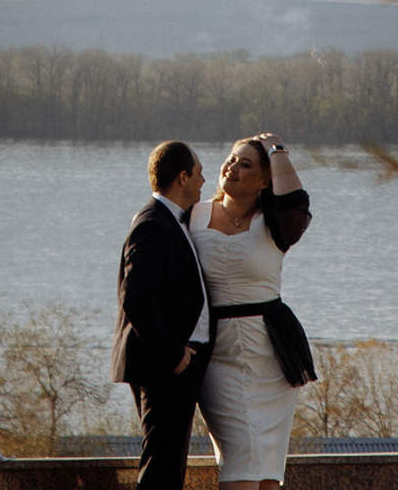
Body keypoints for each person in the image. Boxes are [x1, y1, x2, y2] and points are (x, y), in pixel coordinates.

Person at [190, 132, 315, 490]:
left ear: (264, 181)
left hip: (271, 358)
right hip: (219, 355)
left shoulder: (276, 223)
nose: (232, 167)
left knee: (267, 471)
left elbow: (295, 201)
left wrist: (277, 150)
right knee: (240, 453)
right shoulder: (193, 217)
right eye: (230, 159)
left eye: (246, 164)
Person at [112, 139, 212, 490]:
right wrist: (175, 356)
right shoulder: (153, 223)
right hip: (164, 366)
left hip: (172, 362)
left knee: (168, 466)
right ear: (182, 177)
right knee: (161, 469)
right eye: (199, 173)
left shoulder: (172, 221)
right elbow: (136, 298)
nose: (204, 181)